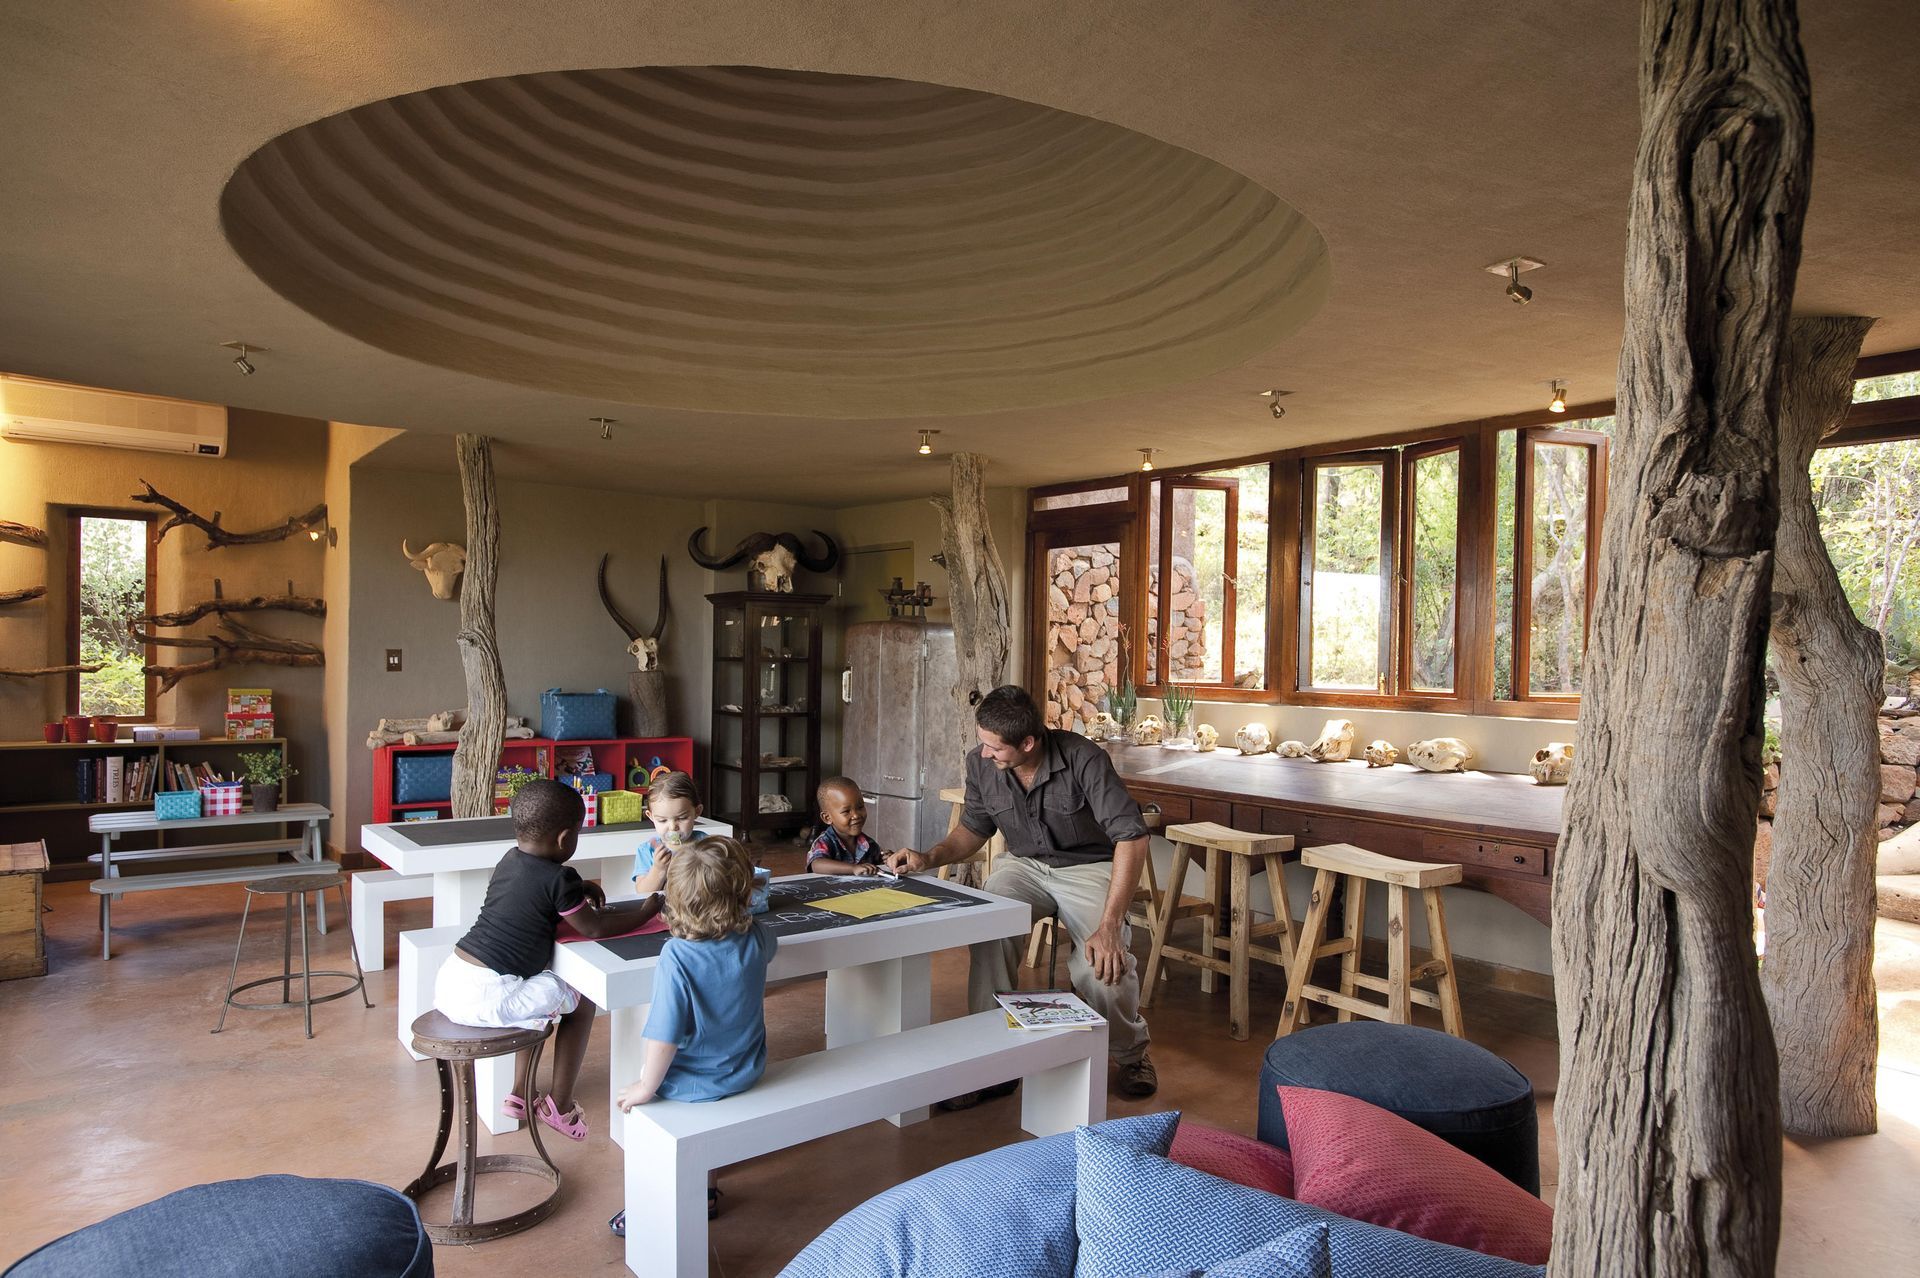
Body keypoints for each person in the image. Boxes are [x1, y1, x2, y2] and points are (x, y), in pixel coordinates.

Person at [887, 684, 1157, 1104]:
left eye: (994, 747)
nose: (984, 754)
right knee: (990, 928)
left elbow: (1132, 838)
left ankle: (1130, 1052)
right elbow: (974, 827)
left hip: (1089, 866)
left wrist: (1108, 926)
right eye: (983, 744)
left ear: (1028, 743)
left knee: (1099, 966)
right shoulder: (981, 763)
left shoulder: (1084, 759)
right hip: (1024, 866)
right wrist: (929, 856)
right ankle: (991, 1057)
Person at [433, 778, 660, 1141]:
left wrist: (578, 889)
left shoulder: (509, 860)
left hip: (453, 979)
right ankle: (560, 1104)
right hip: (492, 995)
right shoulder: (560, 878)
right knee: (581, 998)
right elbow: (595, 928)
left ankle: (520, 1094)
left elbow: (532, 896)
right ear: (564, 839)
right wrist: (649, 911)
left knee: (541, 996)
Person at [611, 835, 776, 1235]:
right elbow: (769, 946)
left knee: (640, 1109)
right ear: (744, 894)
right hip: (745, 1067)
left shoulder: (676, 957)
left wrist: (646, 1087)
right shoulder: (755, 937)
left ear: (673, 899)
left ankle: (648, 1205)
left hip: (692, 1082)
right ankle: (705, 1190)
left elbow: (665, 1036)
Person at [632, 770, 703, 896]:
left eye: (682, 818)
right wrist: (658, 868)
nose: (672, 827)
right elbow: (642, 892)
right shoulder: (648, 850)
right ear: (651, 816)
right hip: (663, 912)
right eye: (662, 820)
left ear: (697, 812)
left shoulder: (706, 844)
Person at [806, 776, 888, 876]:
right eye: (846, 811)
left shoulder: (868, 843)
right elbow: (817, 864)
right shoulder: (825, 841)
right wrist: (853, 869)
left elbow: (879, 865)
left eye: (860, 807)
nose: (856, 815)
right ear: (827, 818)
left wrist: (887, 859)